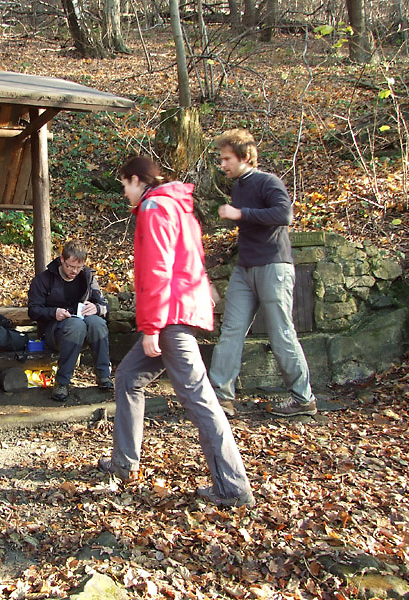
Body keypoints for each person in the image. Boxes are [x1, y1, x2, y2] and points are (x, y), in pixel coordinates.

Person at [99, 155, 254, 508]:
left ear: (137, 180)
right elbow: (192, 260)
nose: (124, 192)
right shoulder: (180, 208)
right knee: (128, 377)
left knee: (201, 401)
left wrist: (152, 328)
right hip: (181, 311)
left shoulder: (155, 208)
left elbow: (158, 272)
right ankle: (124, 463)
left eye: (125, 184)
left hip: (169, 317)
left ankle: (232, 487)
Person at [209, 129, 317, 417]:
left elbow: (284, 215)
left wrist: (240, 214)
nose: (223, 165)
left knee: (281, 332)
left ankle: (302, 399)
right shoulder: (239, 186)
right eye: (221, 159)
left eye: (227, 159)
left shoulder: (268, 182)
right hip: (245, 269)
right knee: (231, 330)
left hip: (273, 266)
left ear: (245, 157)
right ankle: (221, 398)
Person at [27, 240, 113, 402]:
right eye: (70, 267)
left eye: (78, 267)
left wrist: (97, 308)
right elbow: (33, 310)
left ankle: (104, 376)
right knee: (76, 325)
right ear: (62, 259)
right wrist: (54, 312)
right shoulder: (45, 279)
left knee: (97, 323)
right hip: (54, 331)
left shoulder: (87, 277)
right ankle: (62, 382)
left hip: (83, 329)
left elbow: (105, 306)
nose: (74, 271)